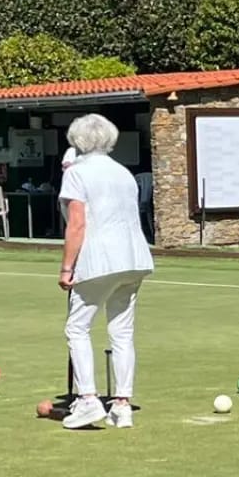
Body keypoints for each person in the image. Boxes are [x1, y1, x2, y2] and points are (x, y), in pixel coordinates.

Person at [58, 113, 155, 430]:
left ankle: (88, 400)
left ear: (77, 141)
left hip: (99, 260)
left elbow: (77, 224)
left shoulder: (76, 173)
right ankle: (122, 405)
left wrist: (66, 268)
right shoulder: (124, 173)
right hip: (134, 258)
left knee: (77, 328)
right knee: (122, 331)